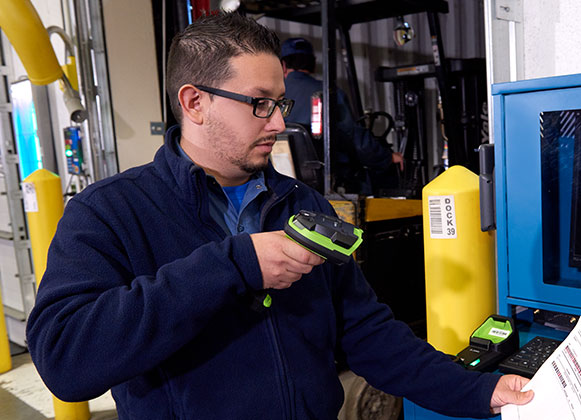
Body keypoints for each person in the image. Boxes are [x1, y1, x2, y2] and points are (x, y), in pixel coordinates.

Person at [25, 12, 533, 419]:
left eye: (280, 102)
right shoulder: (112, 211)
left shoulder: (301, 205)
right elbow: (67, 360)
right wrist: (234, 265)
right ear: (195, 102)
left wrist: (480, 391)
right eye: (260, 104)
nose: (280, 122)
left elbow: (368, 333)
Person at [280, 36, 404, 195]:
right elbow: (355, 138)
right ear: (312, 63)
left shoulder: (275, 96)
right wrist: (386, 158)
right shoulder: (327, 92)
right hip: (327, 181)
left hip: (284, 178)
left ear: (283, 65)